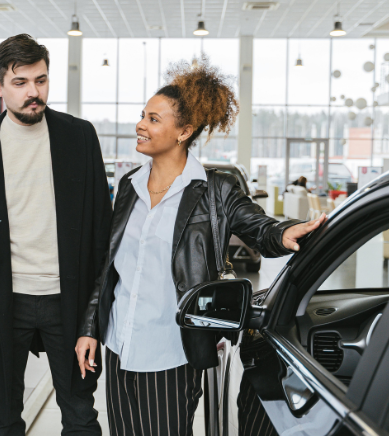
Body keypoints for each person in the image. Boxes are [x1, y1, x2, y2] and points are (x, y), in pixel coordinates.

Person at [75, 58, 326, 436]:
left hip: (171, 351)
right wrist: (90, 328)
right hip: (119, 344)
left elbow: (258, 226)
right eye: (143, 115)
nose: (141, 125)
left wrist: (286, 233)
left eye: (154, 119)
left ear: (184, 131)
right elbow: (108, 266)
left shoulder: (215, 190)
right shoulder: (129, 185)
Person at [0, 34, 112, 435]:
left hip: (66, 300)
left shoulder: (81, 137)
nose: (34, 93)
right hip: (0, 302)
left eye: (41, 80)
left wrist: (94, 320)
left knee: (81, 414)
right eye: (20, 83)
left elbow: (101, 232)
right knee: (2, 417)